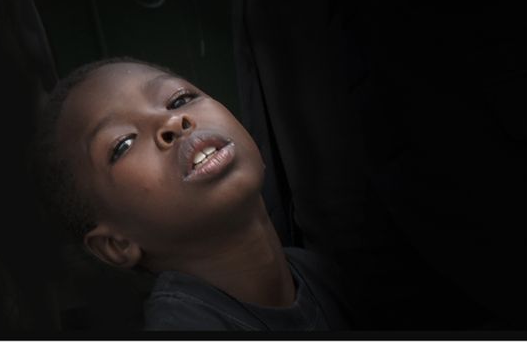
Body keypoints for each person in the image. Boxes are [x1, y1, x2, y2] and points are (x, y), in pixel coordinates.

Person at [34, 57, 352, 331]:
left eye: (180, 100)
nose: (172, 121)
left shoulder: (326, 275)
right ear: (116, 245)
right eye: (123, 144)